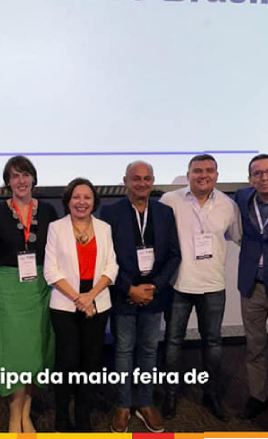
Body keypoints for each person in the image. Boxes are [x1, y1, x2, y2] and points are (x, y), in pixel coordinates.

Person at [0, 156, 57, 432]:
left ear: (33, 179)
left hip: (39, 290)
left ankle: (27, 412)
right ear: (7, 182)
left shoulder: (48, 211)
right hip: (7, 290)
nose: (20, 181)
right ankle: (14, 414)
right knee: (13, 355)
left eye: (25, 175)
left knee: (34, 353)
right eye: (14, 176)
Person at [100, 161, 181, 433]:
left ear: (153, 181)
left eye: (147, 179)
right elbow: (106, 258)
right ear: (125, 181)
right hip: (124, 295)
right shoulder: (110, 213)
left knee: (148, 350)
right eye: (136, 178)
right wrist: (129, 289)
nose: (142, 183)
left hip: (154, 295)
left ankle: (145, 402)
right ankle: (123, 404)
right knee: (123, 351)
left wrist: (153, 287)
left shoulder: (165, 212)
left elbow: (174, 255)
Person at [160, 154, 241, 421]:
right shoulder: (170, 201)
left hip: (213, 285)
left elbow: (239, 237)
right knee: (172, 342)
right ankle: (170, 395)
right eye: (197, 170)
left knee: (213, 342)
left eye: (209, 170)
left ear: (217, 175)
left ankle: (211, 393)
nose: (203, 175)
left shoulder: (228, 205)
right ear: (188, 174)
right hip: (179, 284)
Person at [44, 177, 118, 432]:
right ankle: (62, 417)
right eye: (76, 197)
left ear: (94, 201)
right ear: (68, 201)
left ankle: (83, 416)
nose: (81, 202)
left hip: (97, 303)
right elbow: (50, 271)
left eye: (87, 197)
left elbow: (112, 266)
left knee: (90, 363)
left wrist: (91, 296)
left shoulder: (104, 228)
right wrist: (79, 298)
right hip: (65, 304)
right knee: (66, 364)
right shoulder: (56, 228)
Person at [234, 154, 268, 419]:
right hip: (252, 284)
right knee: (255, 345)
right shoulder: (242, 199)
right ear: (250, 179)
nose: (263, 177)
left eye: (267, 172)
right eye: (257, 173)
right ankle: (258, 396)